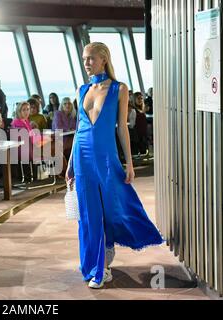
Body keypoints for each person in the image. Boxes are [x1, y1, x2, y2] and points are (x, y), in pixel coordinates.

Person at [66, 42, 163, 289]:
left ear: (104, 59)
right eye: (84, 58)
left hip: (107, 157)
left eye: (91, 58)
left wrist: (129, 162)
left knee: (113, 207)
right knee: (88, 214)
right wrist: (69, 164)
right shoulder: (82, 89)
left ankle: (103, 261)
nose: (86, 63)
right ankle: (96, 267)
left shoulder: (120, 89)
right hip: (83, 157)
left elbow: (122, 128)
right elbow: (78, 130)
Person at [52, 97, 77, 163]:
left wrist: (69, 129)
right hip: (59, 138)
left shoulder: (72, 116)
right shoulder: (58, 114)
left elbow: (75, 127)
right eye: (65, 104)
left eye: (69, 103)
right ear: (62, 106)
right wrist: (68, 129)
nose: (67, 105)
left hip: (69, 138)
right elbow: (58, 127)